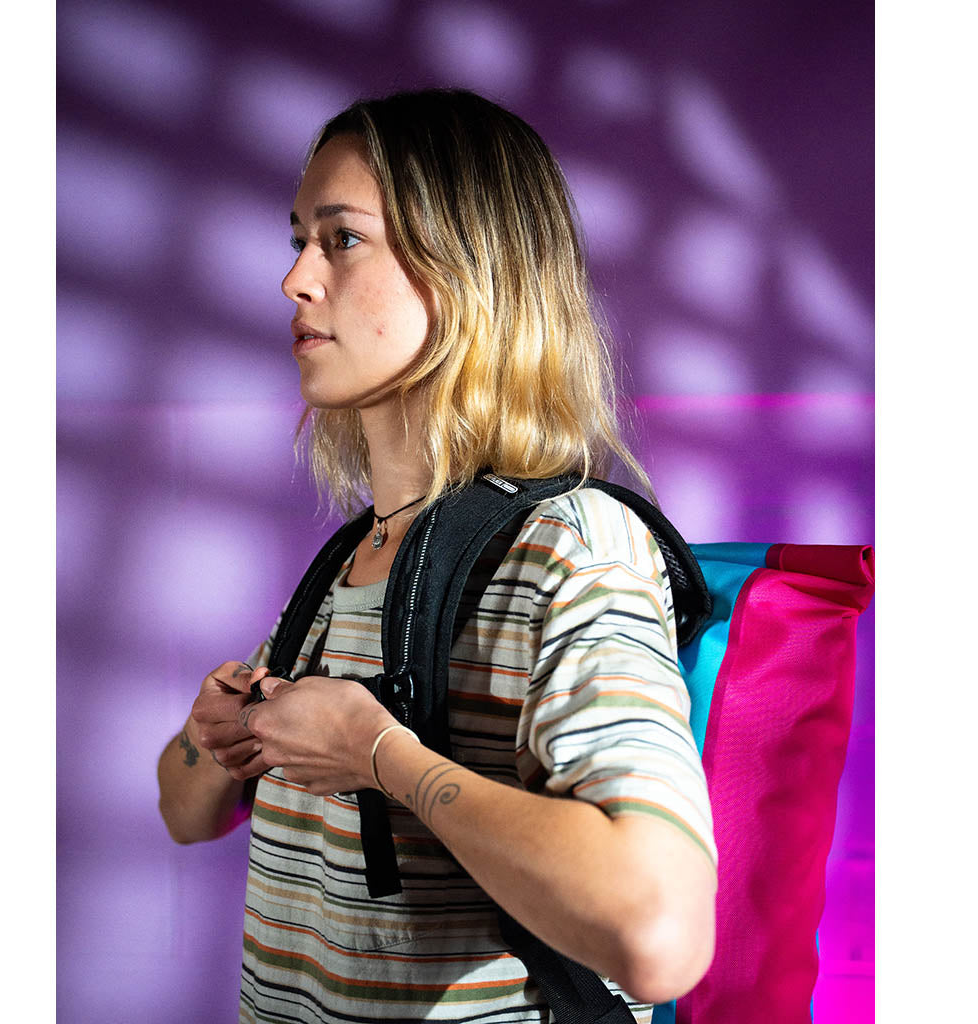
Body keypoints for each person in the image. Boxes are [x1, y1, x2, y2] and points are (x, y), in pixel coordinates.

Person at [157, 88, 717, 1024]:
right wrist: (213, 741)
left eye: (341, 239)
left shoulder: (571, 548)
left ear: (465, 270)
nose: (293, 280)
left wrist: (382, 756)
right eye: (298, 239)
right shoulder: (356, 556)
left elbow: (660, 934)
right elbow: (184, 811)